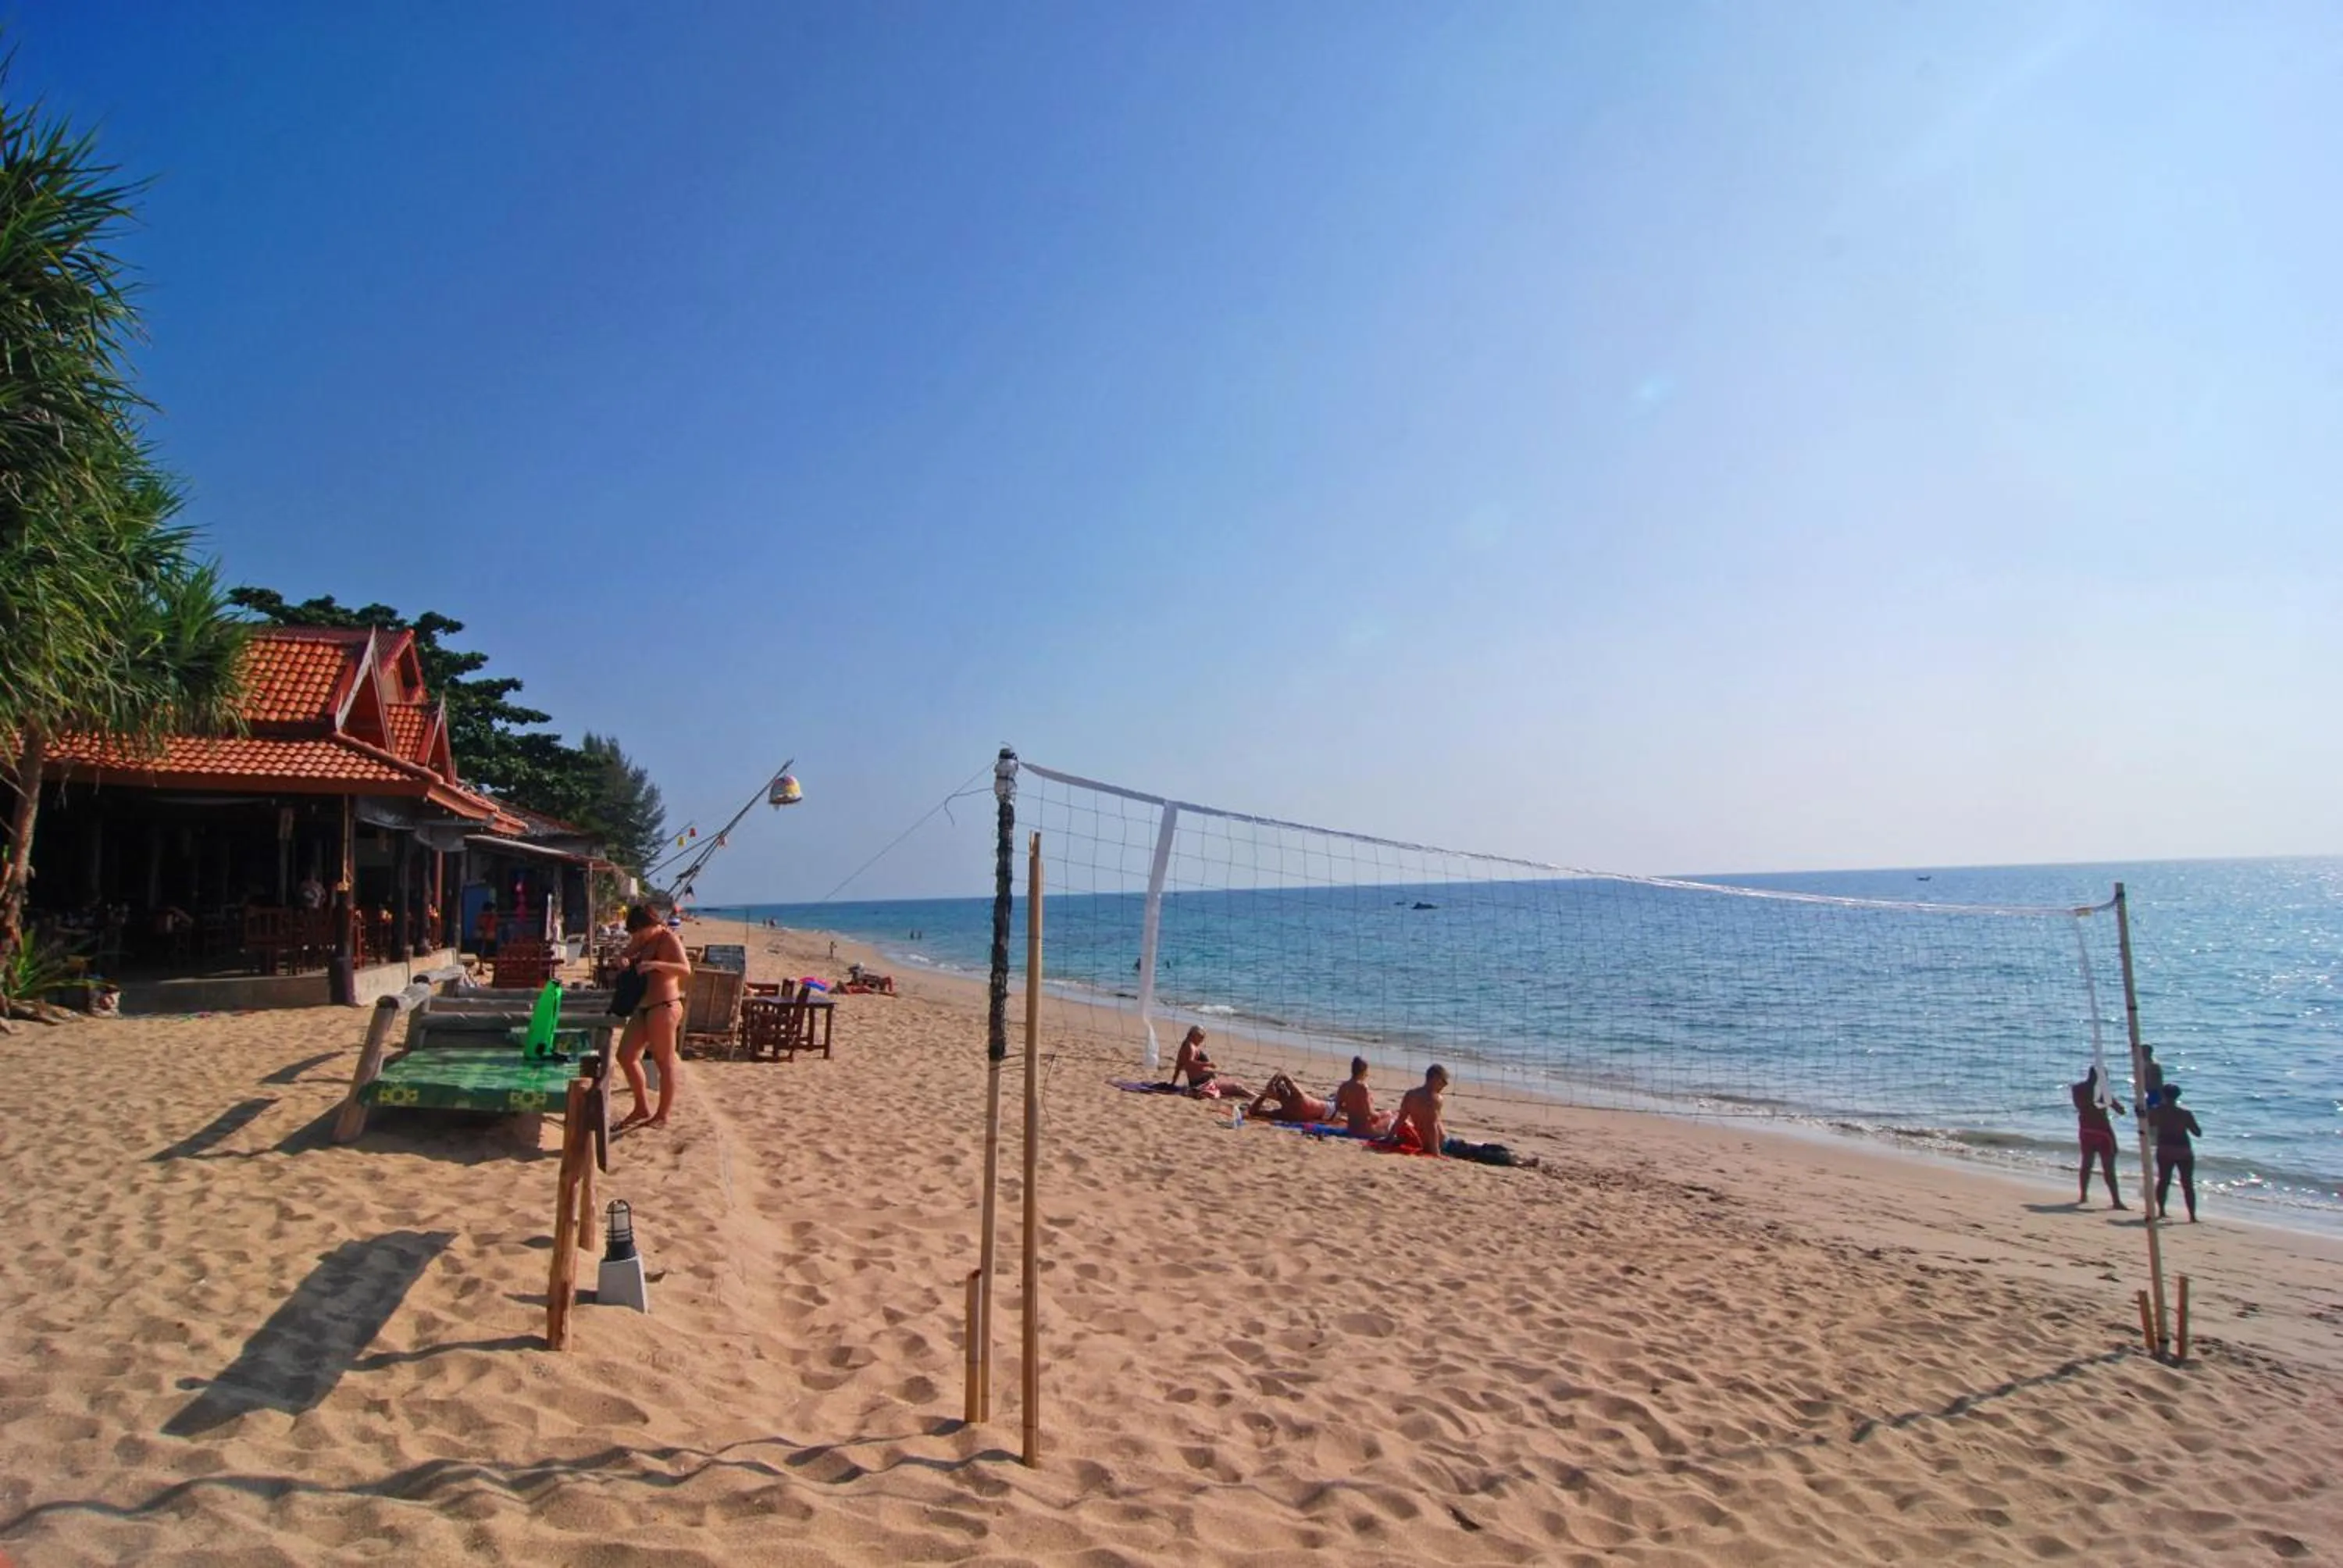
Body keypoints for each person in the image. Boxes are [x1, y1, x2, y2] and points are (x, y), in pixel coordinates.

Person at [616, 903, 692, 1130]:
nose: (637, 936)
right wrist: (622, 959)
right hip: (643, 1005)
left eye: (640, 931)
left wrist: (654, 964)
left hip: (665, 1005)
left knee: (664, 1061)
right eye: (634, 933)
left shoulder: (669, 939)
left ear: (651, 924)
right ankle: (641, 1106)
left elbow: (685, 969)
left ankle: (663, 1114)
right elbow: (626, 953)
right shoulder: (643, 939)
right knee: (625, 1055)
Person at [2070, 1065, 2128, 1210]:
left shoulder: (2077, 1089)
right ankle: (2116, 1201)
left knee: (2086, 1164)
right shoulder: (2103, 1091)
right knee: (2109, 1167)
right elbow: (2120, 1110)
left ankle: (2083, 1195)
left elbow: (2079, 1106)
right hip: (2102, 1131)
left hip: (2086, 1130)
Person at [2152, 1082, 2203, 1222]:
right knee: (2187, 1184)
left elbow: (2149, 1124)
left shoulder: (2157, 1111)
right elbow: (2197, 1133)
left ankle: (2162, 1210)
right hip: (2183, 1149)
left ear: (2163, 1095)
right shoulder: (2185, 1113)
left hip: (2165, 1148)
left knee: (2164, 1181)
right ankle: (2192, 1215)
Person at [1386, 1064, 1451, 1154]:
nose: (1446, 1085)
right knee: (1473, 1150)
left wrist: (1389, 1138)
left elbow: (1400, 1120)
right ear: (1435, 1078)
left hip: (1425, 1144)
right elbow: (1432, 1127)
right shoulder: (1435, 1098)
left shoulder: (1410, 1095)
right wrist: (1436, 1151)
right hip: (1443, 1144)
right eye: (1444, 1081)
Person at [1168, 1026, 1247, 1099]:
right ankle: (1256, 1098)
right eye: (1201, 1037)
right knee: (1237, 1087)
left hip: (1198, 1083)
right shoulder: (1190, 1046)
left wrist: (1173, 1083)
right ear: (1194, 1035)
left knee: (1235, 1088)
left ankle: (1256, 1097)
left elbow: (1178, 1067)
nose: (1202, 1040)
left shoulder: (1184, 1046)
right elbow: (1190, 1062)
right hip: (1204, 1083)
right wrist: (1208, 1064)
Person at [1332, 1056, 1392, 1136]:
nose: (1367, 1074)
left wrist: (1352, 1110)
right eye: (1366, 1072)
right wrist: (1379, 1115)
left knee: (1386, 1113)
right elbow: (1369, 1113)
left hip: (1352, 1128)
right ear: (1363, 1071)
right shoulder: (1362, 1087)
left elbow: (1338, 1107)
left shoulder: (1344, 1086)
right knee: (1390, 1117)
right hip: (1366, 1131)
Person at [1247, 1071, 1333, 1124]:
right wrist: (1272, 1084)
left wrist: (1264, 1095)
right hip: (1332, 1110)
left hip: (1330, 1109)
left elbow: (1253, 1111)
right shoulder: (1298, 1097)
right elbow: (1283, 1074)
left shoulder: (1284, 1114)